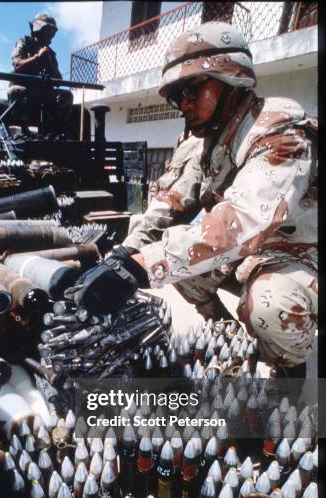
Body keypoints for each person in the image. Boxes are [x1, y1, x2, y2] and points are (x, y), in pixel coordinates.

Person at [66, 21, 317, 380]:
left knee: (269, 307)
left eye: (189, 91)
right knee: (178, 260)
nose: (182, 105)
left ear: (231, 79)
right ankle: (222, 330)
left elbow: (245, 221)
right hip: (252, 254)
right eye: (175, 97)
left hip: (301, 257)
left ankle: (290, 372)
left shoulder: (278, 128)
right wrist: (123, 258)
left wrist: (140, 267)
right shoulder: (204, 142)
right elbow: (167, 209)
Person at [8, 12, 74, 134]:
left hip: (43, 93)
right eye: (47, 31)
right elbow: (17, 65)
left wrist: (48, 62)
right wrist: (37, 58)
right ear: (38, 29)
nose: (49, 35)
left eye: (51, 33)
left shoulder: (49, 53)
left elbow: (58, 80)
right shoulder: (24, 43)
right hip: (25, 92)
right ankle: (24, 131)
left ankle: (55, 131)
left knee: (67, 96)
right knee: (16, 91)